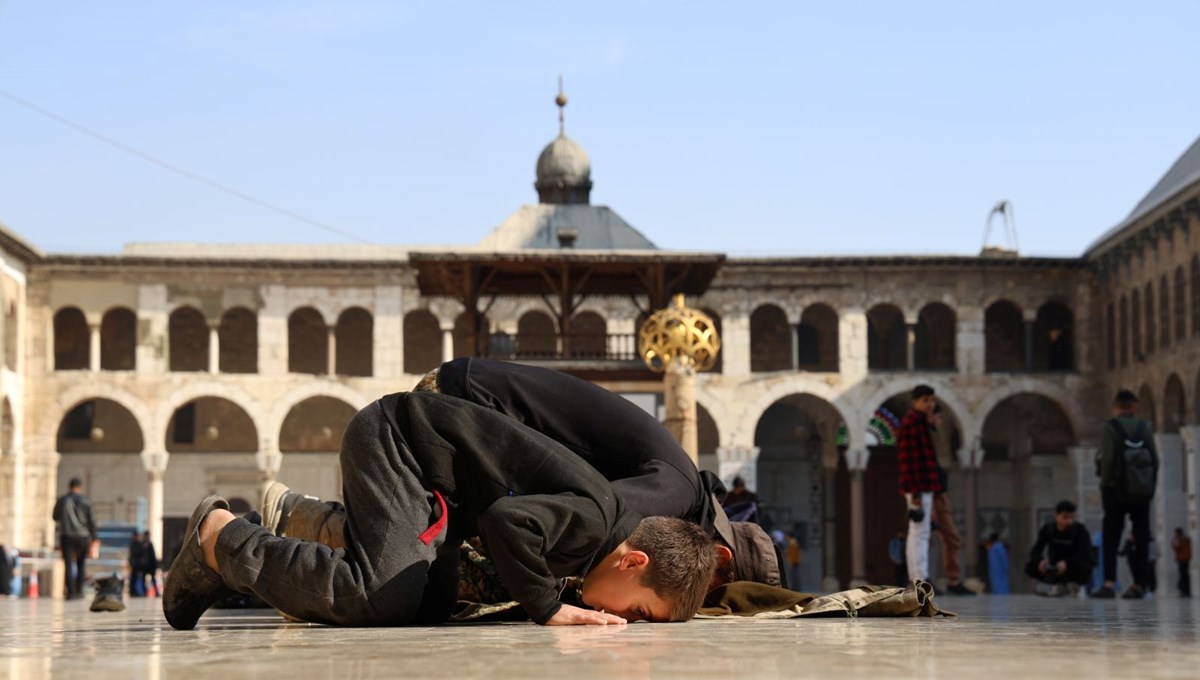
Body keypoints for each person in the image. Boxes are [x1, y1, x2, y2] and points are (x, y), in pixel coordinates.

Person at [164, 391, 717, 630]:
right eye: (640, 613)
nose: (625, 621)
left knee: (425, 606)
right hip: (396, 443)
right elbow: (507, 524)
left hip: (435, 491)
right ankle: (222, 538)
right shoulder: (598, 519)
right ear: (633, 562)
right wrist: (549, 608)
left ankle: (248, 553)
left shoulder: (597, 530)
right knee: (381, 595)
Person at [267, 358, 783, 589]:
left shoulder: (680, 486)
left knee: (432, 562)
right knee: (440, 574)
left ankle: (302, 520)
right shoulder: (675, 491)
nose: (692, 590)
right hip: (459, 406)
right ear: (718, 553)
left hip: (470, 414)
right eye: (712, 584)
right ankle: (296, 529)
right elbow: (591, 522)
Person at [897, 385, 971, 595]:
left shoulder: (920, 423)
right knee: (920, 534)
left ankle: (917, 577)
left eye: (932, 400)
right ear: (916, 402)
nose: (930, 404)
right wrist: (917, 493)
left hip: (924, 486)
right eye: (925, 401)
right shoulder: (912, 424)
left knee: (917, 533)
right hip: (920, 486)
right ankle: (920, 578)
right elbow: (910, 462)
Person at [1094, 389, 1158, 599]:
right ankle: (1139, 584)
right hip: (1141, 490)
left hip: (1115, 490)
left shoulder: (1110, 427)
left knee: (1111, 537)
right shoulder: (1143, 427)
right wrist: (1150, 486)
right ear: (1134, 406)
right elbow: (1155, 459)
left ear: (1116, 406)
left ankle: (1109, 583)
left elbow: (1109, 458)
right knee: (1141, 538)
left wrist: (1105, 484)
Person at [1025, 501, 1092, 596]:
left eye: (1071, 517)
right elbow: (1036, 550)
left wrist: (1067, 563)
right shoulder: (1048, 530)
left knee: (1086, 565)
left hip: (1073, 567)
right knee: (1030, 566)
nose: (1069, 521)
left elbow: (1085, 554)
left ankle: (1073, 584)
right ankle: (1059, 584)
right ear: (1056, 515)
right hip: (1055, 567)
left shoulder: (1080, 531)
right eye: (1065, 517)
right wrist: (1040, 561)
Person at [52, 477, 96, 600]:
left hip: (67, 536)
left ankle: (71, 592)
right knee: (81, 564)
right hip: (83, 537)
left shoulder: (62, 500)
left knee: (68, 564)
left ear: (69, 486)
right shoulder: (86, 501)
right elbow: (91, 520)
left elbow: (55, 516)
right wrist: (94, 537)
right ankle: (79, 591)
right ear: (80, 487)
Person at [1171, 528, 1192, 597]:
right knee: (1183, 575)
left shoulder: (1183, 540)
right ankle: (1184, 590)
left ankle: (1185, 591)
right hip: (1182, 559)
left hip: (1183, 559)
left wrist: (1175, 542)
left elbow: (1177, 548)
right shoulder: (1184, 540)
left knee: (1184, 576)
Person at [139, 531, 159, 597]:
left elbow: (153, 555)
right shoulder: (141, 545)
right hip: (144, 566)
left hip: (150, 566)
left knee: (153, 579)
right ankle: (145, 592)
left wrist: (155, 565)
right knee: (143, 580)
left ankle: (156, 592)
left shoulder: (150, 545)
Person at [128, 531, 146, 597]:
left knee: (137, 579)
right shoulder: (133, 544)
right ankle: (132, 591)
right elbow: (133, 553)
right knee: (133, 578)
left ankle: (136, 591)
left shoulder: (139, 544)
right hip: (134, 564)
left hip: (138, 565)